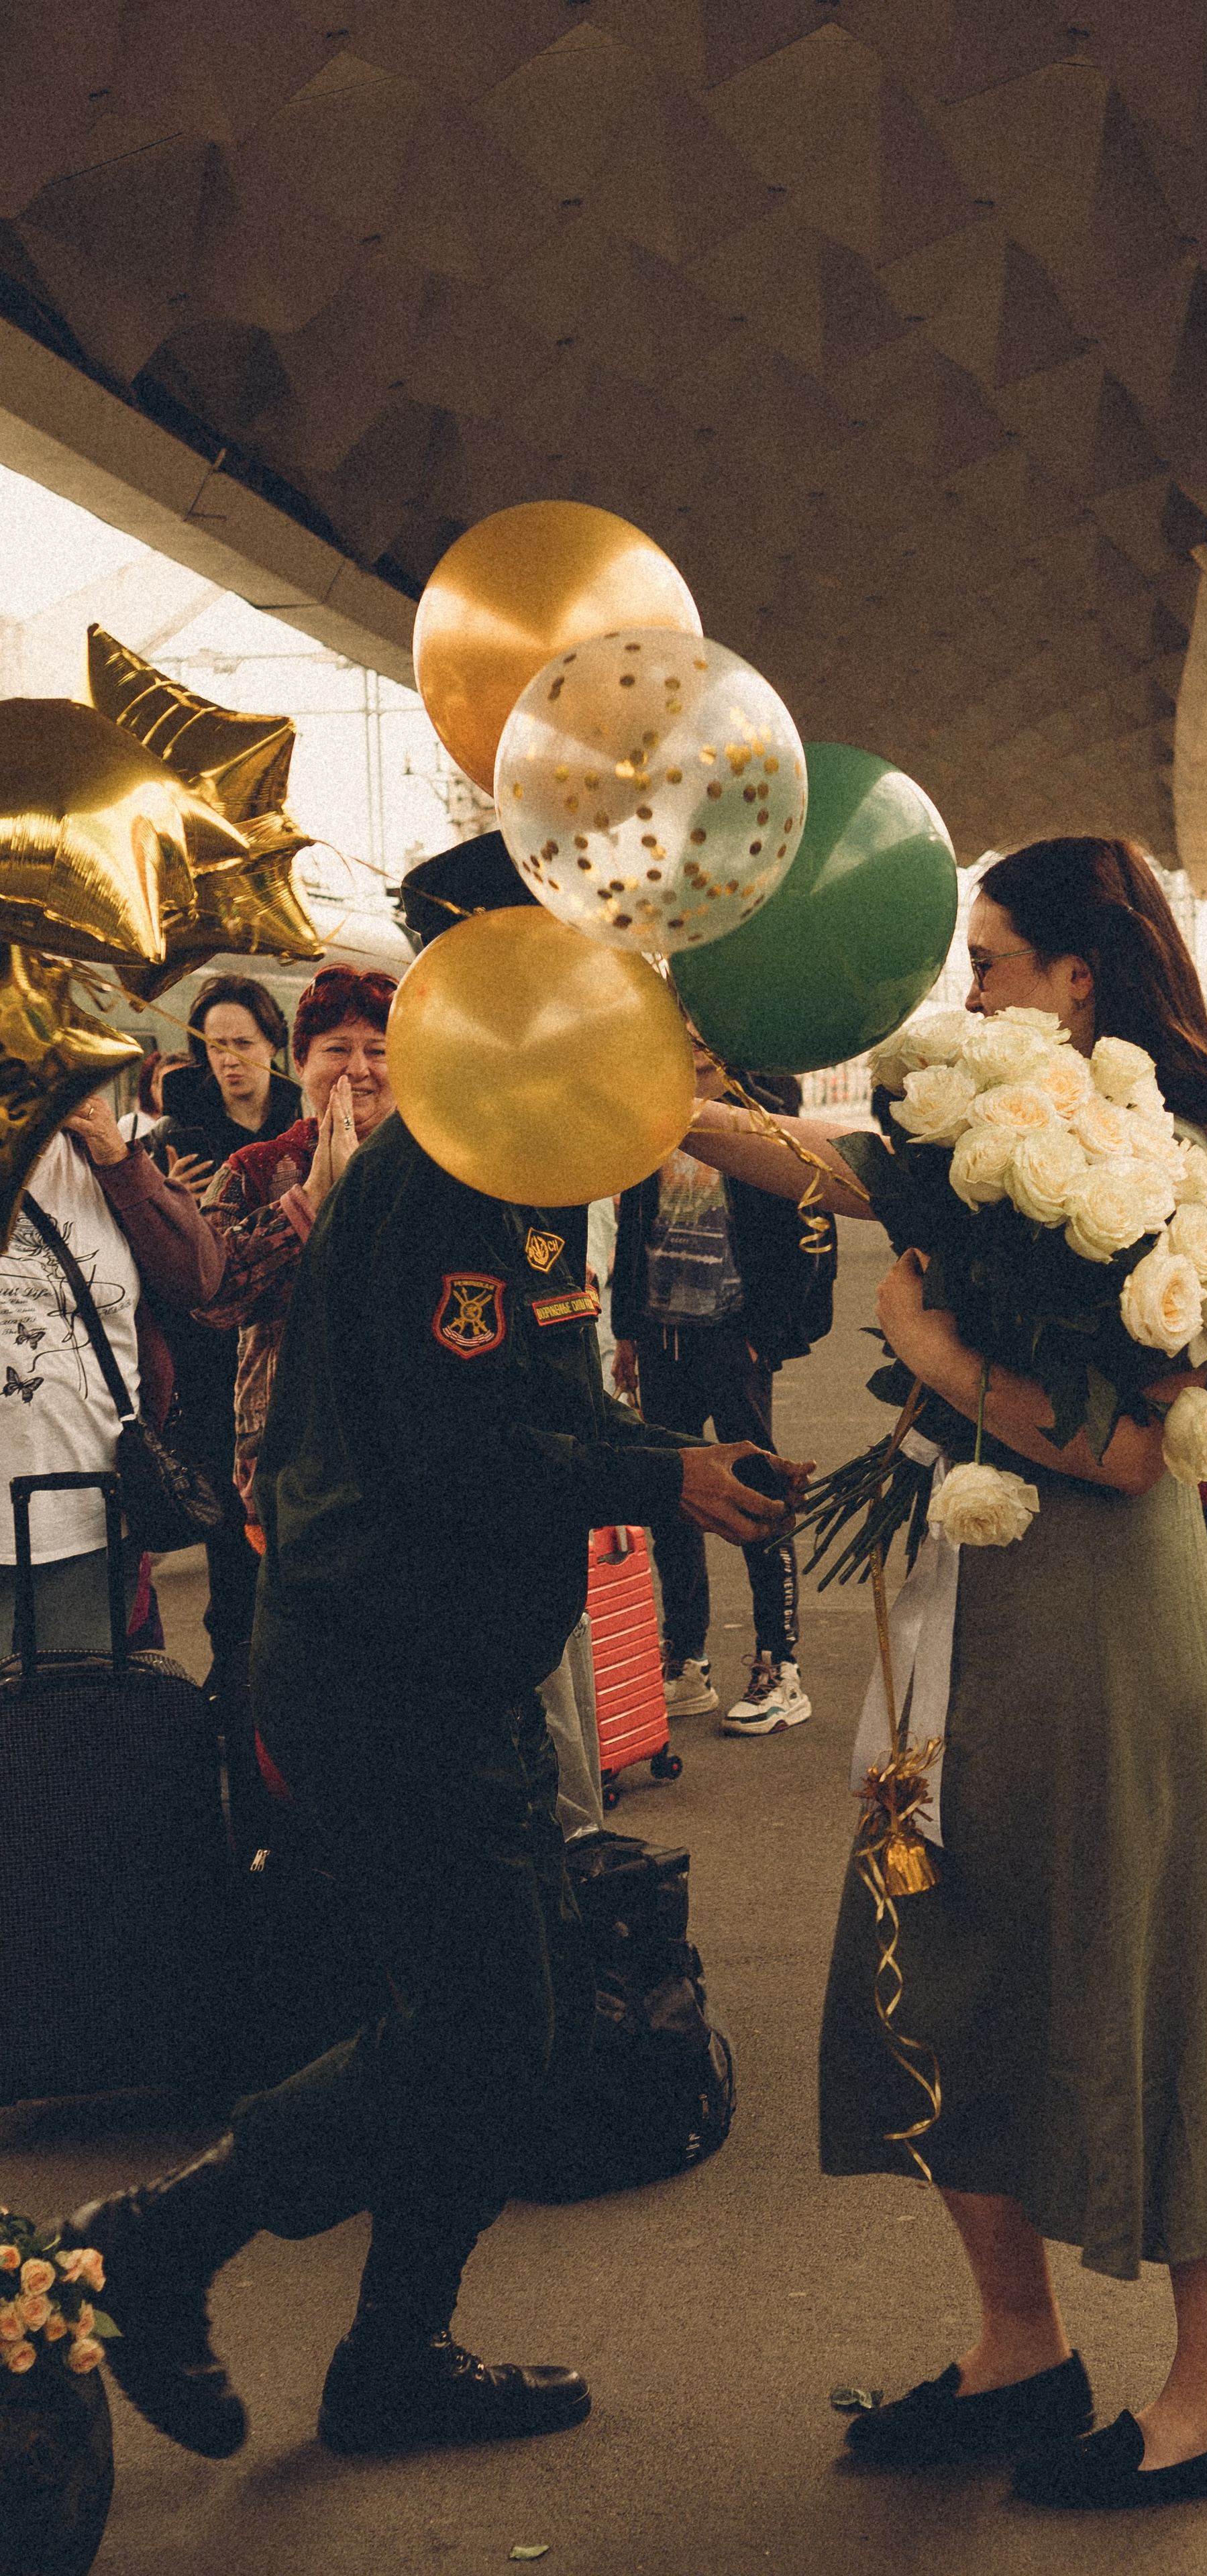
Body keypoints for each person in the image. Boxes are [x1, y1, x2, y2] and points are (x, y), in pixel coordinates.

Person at [57, 1004, 811, 2465]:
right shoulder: (441, 1188)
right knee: (481, 2027)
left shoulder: (527, 1186)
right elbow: (453, 1453)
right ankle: (159, 2240)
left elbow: (557, 1401)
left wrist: (688, 1459)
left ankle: (390, 2356)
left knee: (505, 2028)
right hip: (378, 1666)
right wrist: (665, 1487)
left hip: (458, 1667)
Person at [685, 837, 1207, 2516]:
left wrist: (931, 1350)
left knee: (1154, 1982)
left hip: (1098, 1639)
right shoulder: (986, 1139)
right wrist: (660, 1104)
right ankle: (1018, 2342)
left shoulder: (1157, 1166)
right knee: (927, 1959)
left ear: (1074, 980)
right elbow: (827, 1164)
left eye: (989, 962)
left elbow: (1132, 1451)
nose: (966, 991)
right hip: (953, 1626)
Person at [611, 1053, 835, 1736]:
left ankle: (780, 1668)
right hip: (661, 1336)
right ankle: (687, 1662)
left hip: (733, 1339)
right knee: (671, 1499)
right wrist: (627, 1330)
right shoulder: (653, 1110)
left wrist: (769, 1336)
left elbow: (810, 1233)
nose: (691, 1045)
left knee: (757, 1496)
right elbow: (634, 1225)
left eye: (702, 1033)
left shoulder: (762, 1112)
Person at [0, 1095, 222, 1651]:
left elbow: (196, 1277)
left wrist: (119, 1157)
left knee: (79, 1699)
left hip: (92, 1508)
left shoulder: (95, 1155)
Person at [144, 979, 305, 1736]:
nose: (230, 1059)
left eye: (244, 1043)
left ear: (275, 1046)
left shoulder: (310, 1122)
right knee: (233, 1550)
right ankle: (237, 1709)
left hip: (294, 1356)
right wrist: (167, 1202)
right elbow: (157, 1266)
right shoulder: (174, 1136)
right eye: (215, 1045)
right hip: (213, 1371)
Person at [193, 967, 397, 1530]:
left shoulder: (440, 1166)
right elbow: (209, 1300)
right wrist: (308, 1202)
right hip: (292, 1464)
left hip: (415, 1450)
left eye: (379, 1051)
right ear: (300, 1061)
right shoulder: (254, 1170)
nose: (358, 1068)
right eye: (337, 1049)